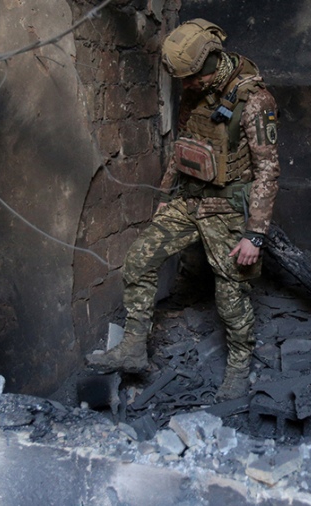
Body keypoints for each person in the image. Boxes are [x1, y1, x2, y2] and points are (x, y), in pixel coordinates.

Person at [86, 19, 280, 401]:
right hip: (188, 199)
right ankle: (133, 349)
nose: (186, 87)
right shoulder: (196, 88)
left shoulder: (255, 101)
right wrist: (164, 197)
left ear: (210, 60)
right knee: (139, 260)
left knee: (231, 294)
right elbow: (183, 143)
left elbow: (268, 172)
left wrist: (255, 234)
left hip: (227, 206)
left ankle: (240, 365)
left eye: (191, 78)